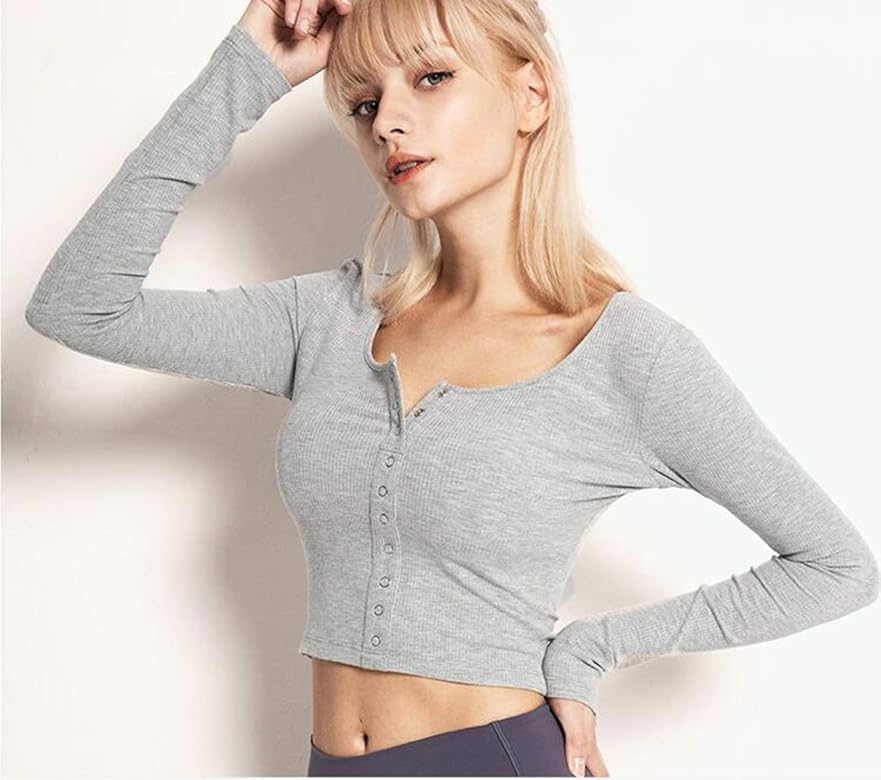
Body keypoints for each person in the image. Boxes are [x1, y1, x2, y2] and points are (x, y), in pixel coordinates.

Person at [24, 0, 879, 776]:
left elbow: (835, 565)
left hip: (493, 757)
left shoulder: (624, 355)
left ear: (530, 95)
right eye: (364, 103)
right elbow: (80, 306)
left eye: (431, 78)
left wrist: (592, 648)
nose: (388, 122)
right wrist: (245, 70)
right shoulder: (328, 320)